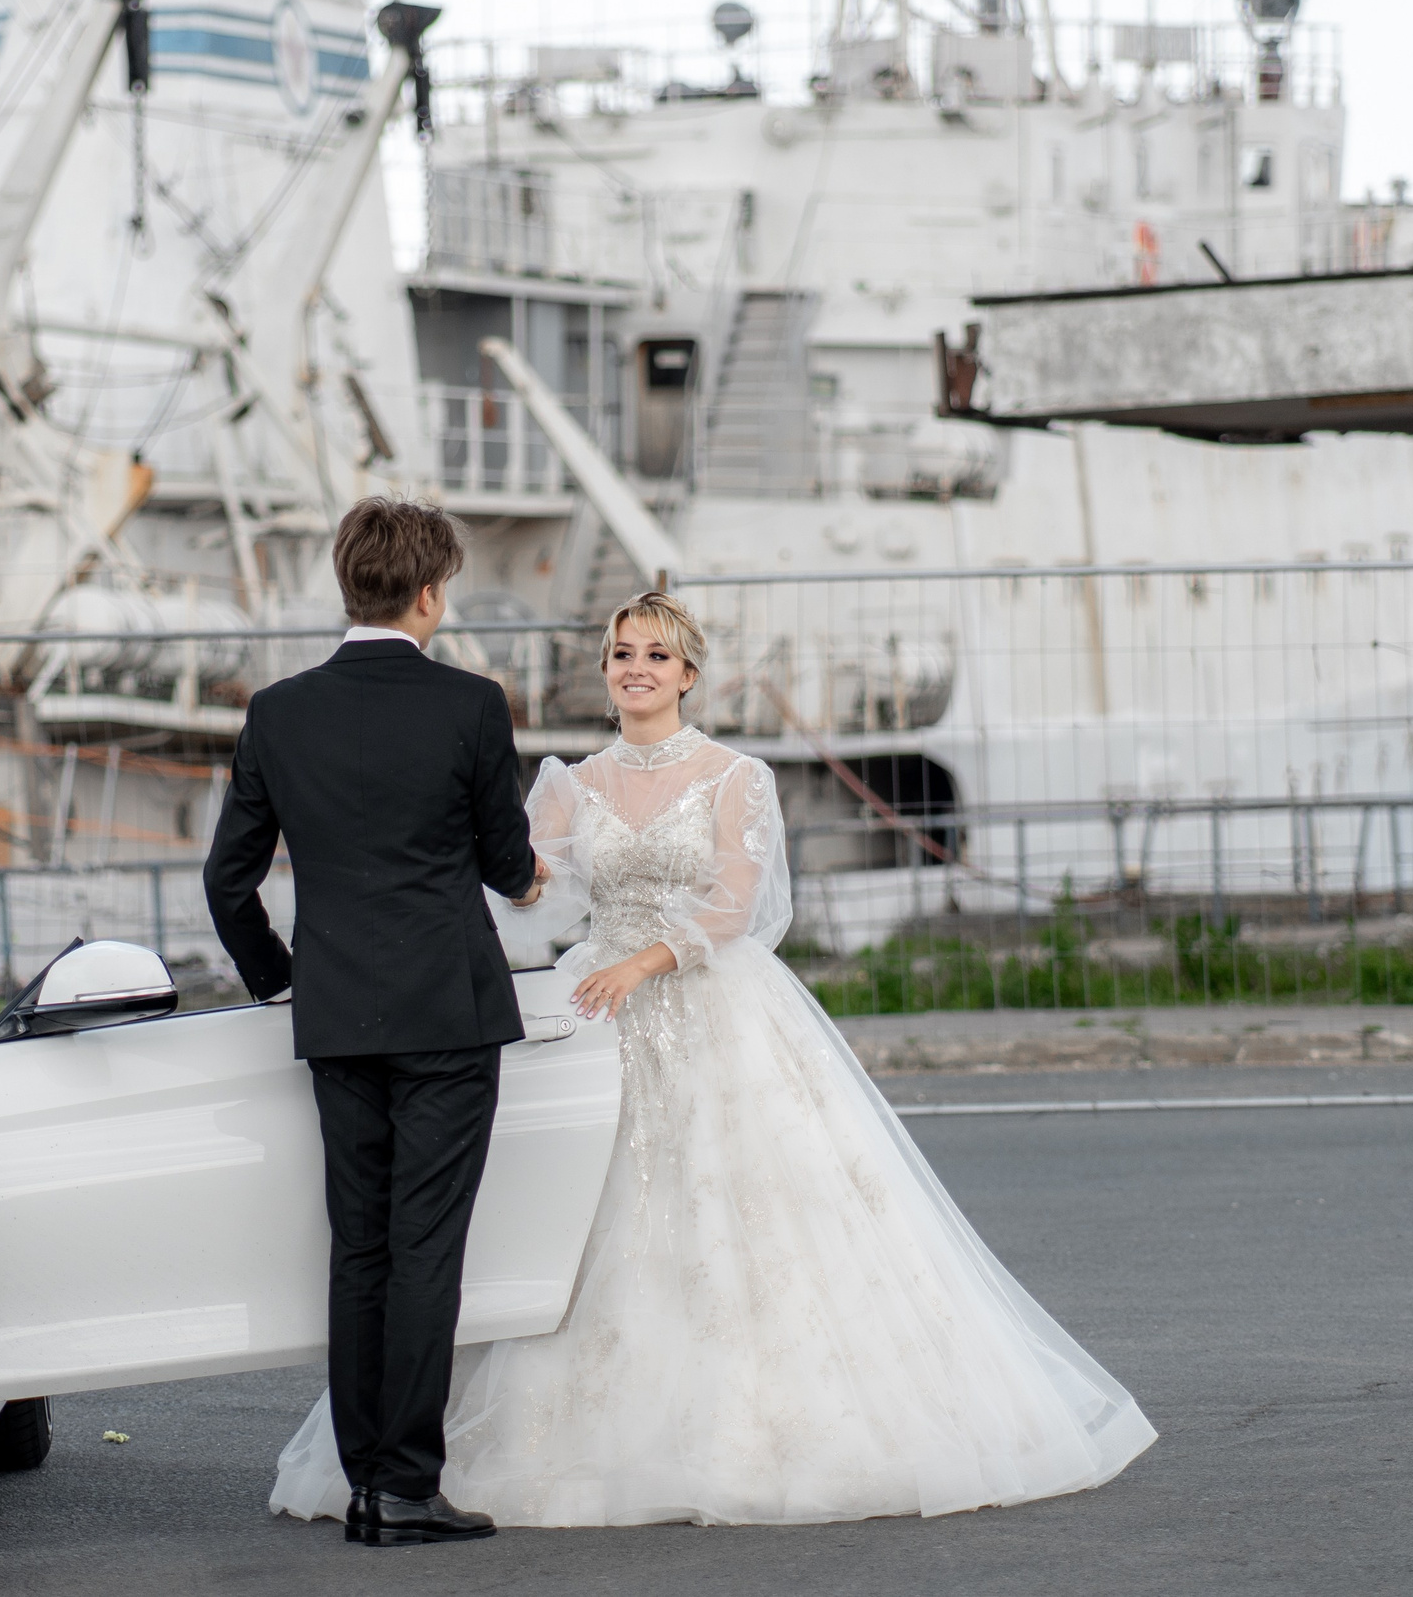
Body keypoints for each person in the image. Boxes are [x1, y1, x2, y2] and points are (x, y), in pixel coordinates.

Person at [270, 591, 1157, 1529]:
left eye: (656, 655)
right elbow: (525, 885)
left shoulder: (737, 776)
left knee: (748, 1209)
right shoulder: (570, 782)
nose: (636, 668)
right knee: (581, 1215)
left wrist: (644, 961)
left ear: (689, 673)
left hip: (705, 1000)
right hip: (598, 1003)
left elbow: (739, 905)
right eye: (621, 654)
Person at [204, 496, 545, 1548]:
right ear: (432, 593)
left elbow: (227, 883)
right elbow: (503, 862)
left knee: (359, 1249)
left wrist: (283, 980)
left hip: (338, 1011)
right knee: (424, 1248)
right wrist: (534, 881)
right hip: (448, 1007)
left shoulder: (279, 711)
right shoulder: (470, 704)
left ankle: (363, 1482)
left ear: (345, 585)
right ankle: (405, 1487)